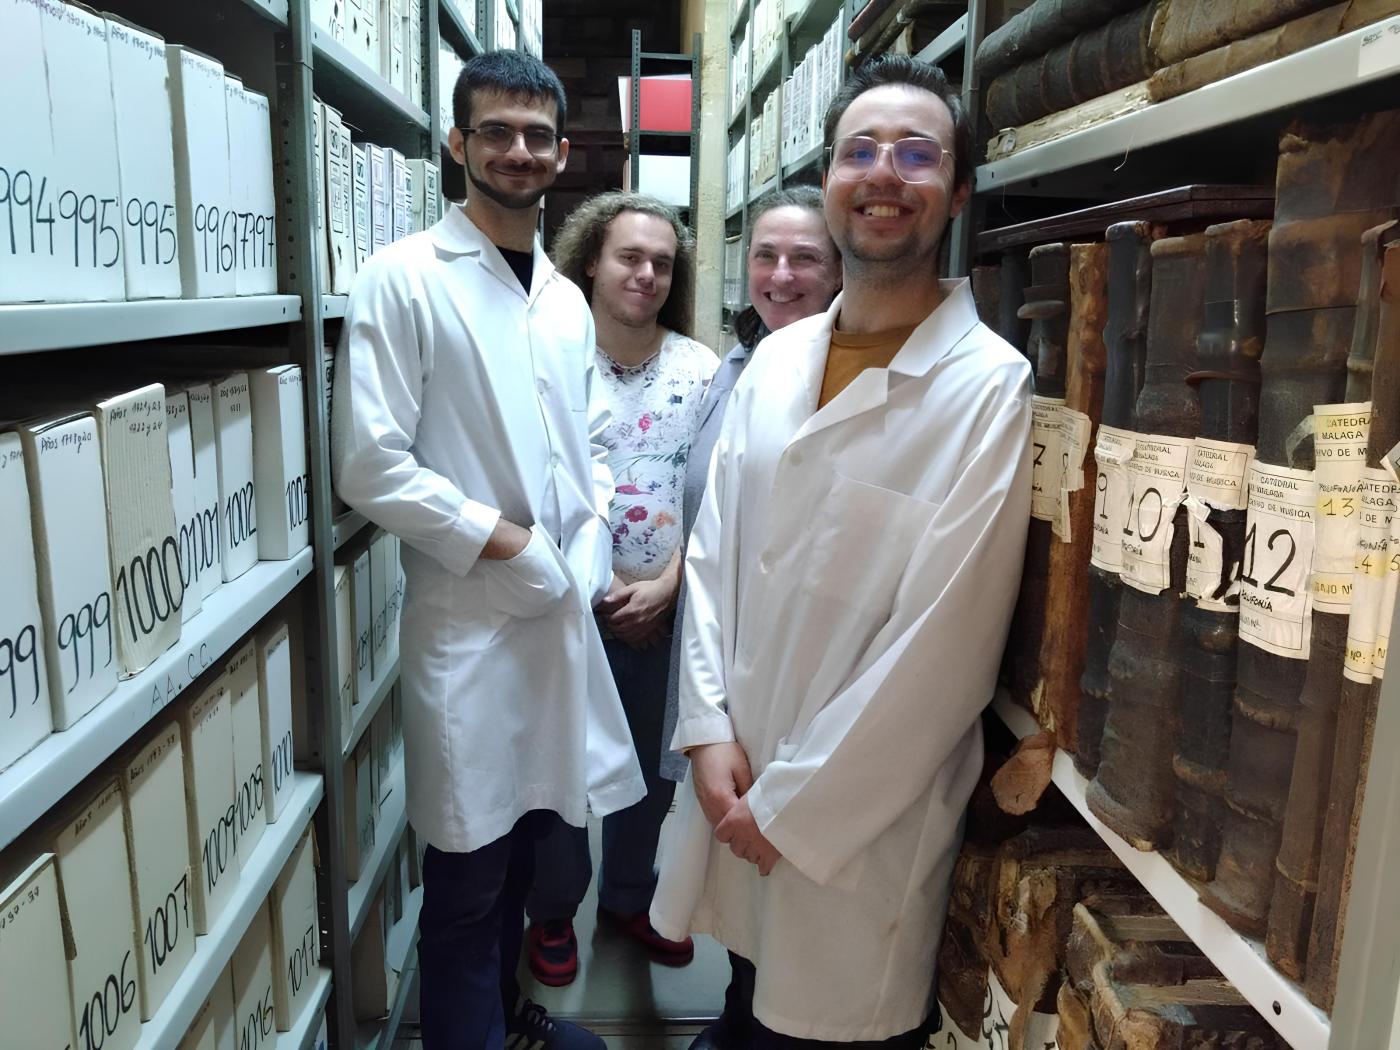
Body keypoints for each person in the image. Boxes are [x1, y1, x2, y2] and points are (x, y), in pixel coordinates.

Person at [650, 53, 1035, 1049]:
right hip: (734, 784)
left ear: (953, 192)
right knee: (741, 990)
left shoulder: (986, 386)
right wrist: (705, 728)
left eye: (914, 153)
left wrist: (793, 806)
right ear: (826, 179)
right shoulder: (777, 361)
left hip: (848, 835)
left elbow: (942, 651)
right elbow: (714, 559)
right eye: (857, 150)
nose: (881, 173)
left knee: (816, 1026)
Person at [332, 50, 645, 1050]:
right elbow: (368, 467)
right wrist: (505, 541)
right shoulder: (404, 278)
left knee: (531, 864)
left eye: (537, 134)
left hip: (555, 625)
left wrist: (586, 539)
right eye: (496, 131)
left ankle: (512, 1026)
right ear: (456, 145)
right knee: (465, 882)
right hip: (467, 629)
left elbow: (578, 448)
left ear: (564, 153)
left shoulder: (559, 296)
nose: (518, 150)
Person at [524, 192, 715, 986]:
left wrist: (670, 584)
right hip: (565, 612)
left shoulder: (700, 369)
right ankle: (555, 912)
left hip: (667, 611)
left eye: (662, 263)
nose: (646, 274)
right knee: (562, 770)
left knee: (647, 771)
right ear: (590, 263)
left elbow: (717, 497)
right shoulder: (549, 361)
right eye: (629, 257)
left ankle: (630, 900)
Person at [659, 185, 842, 787]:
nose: (781, 275)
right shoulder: (734, 365)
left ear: (840, 265)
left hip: (790, 672)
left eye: (805, 258)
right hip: (710, 645)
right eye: (765, 256)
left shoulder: (848, 380)